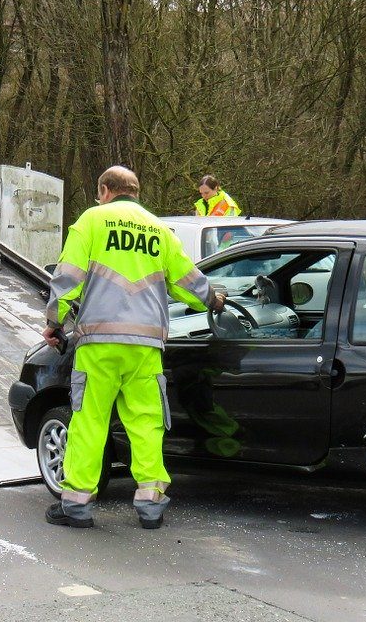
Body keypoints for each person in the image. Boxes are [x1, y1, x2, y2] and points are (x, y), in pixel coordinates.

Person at [43, 165, 224, 529]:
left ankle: (77, 504)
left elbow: (68, 278)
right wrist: (214, 300)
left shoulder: (91, 221)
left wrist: (54, 321)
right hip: (146, 346)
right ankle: (150, 505)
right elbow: (187, 280)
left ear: (105, 191)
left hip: (99, 343)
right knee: (146, 423)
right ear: (136, 192)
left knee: (90, 421)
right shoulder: (159, 230)